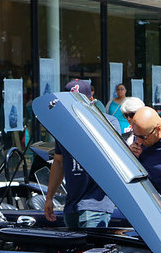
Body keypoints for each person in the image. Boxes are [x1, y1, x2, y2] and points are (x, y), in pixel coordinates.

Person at [43, 80, 116, 228]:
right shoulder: (63, 127)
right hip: (71, 204)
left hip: (95, 203)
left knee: (91, 243)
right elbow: (58, 162)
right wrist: (49, 198)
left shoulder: (108, 122)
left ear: (91, 100)